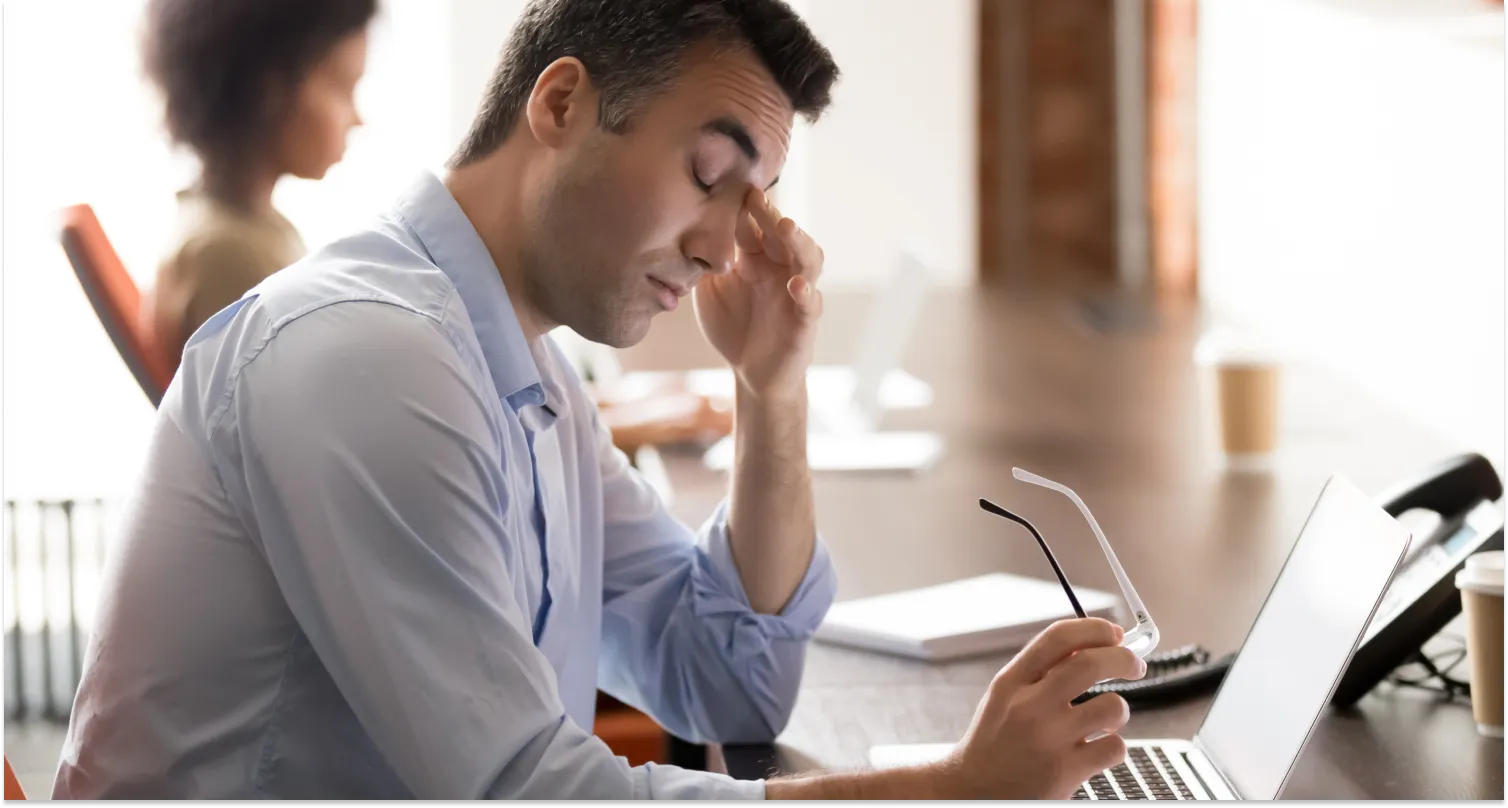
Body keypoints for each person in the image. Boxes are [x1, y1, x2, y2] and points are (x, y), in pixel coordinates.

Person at [55, 0, 1142, 800]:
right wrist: (953, 789)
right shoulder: (365, 358)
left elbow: (723, 680)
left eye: (751, 202)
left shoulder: (524, 373)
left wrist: (769, 391)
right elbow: (522, 789)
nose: (725, 243)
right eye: (707, 174)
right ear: (562, 103)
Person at [139, 0, 375, 368]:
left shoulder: (249, 228)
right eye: (343, 87)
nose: (357, 118)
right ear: (271, 90)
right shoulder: (225, 255)